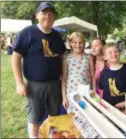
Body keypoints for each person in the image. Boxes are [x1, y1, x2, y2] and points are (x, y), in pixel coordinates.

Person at [12, 2, 66, 138]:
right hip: (34, 85)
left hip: (55, 83)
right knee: (34, 119)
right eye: (44, 13)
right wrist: (19, 83)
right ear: (37, 15)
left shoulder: (57, 36)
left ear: (54, 17)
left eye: (50, 13)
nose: (47, 16)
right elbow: (16, 56)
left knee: (54, 117)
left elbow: (63, 57)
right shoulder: (27, 32)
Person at [99, 42, 126, 112]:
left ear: (119, 53)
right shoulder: (104, 72)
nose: (113, 54)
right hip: (109, 107)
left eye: (116, 51)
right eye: (110, 52)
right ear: (105, 57)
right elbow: (102, 89)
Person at [62, 32, 96, 113]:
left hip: (85, 93)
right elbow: (64, 78)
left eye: (80, 42)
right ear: (70, 43)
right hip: (71, 94)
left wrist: (94, 91)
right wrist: (64, 97)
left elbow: (93, 75)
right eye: (75, 42)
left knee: (86, 115)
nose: (78, 45)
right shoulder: (66, 58)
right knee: (72, 118)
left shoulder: (88, 57)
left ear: (84, 43)